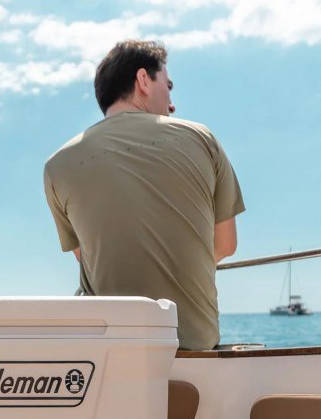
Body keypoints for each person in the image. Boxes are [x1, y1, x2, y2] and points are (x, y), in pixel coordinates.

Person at [43, 40, 244, 350]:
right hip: (193, 343)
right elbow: (226, 245)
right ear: (143, 81)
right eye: (168, 86)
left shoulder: (57, 165)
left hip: (109, 348)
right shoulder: (202, 138)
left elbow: (89, 257)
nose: (172, 102)